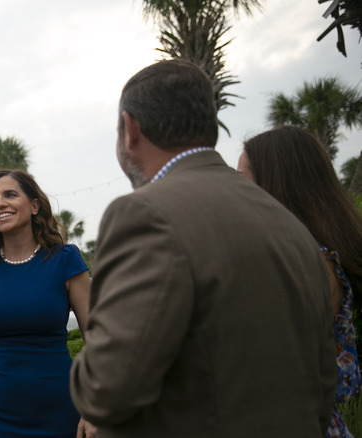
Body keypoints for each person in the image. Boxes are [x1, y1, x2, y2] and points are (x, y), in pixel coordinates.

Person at [69, 59, 337, 437]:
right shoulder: (287, 222)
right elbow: (324, 384)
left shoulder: (145, 213)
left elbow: (104, 390)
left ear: (130, 130)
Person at [238, 125, 362, 437]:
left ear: (278, 184)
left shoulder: (311, 263)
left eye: (243, 178)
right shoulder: (306, 257)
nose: (234, 191)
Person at [0, 169, 96, 438]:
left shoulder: (65, 260)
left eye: (10, 195)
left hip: (60, 406)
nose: (0, 204)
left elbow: (96, 338)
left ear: (34, 205)